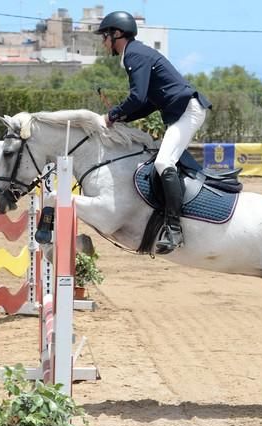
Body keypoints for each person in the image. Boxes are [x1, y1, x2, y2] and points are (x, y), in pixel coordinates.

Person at [95, 11, 212, 254]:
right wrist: (123, 117)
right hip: (182, 111)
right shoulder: (136, 53)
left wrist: (112, 115)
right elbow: (147, 102)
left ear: (116, 34)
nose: (103, 42)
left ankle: (174, 228)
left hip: (187, 111)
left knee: (163, 162)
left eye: (104, 36)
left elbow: (137, 97)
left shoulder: (134, 55)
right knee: (162, 159)